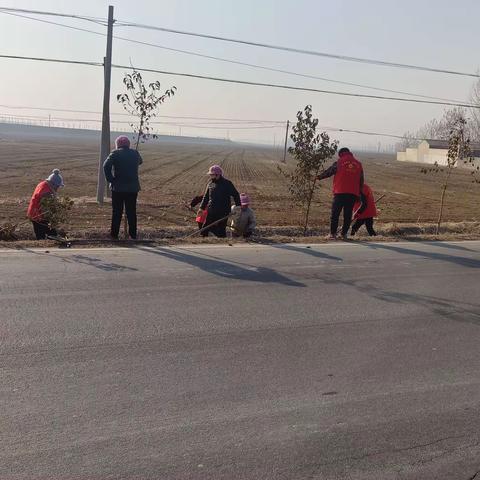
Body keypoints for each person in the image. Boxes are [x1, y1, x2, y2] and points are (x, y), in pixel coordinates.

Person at [317, 147, 364, 240]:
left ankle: (332, 234)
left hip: (340, 192)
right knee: (347, 215)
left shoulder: (339, 162)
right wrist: (359, 194)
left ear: (341, 153)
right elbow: (361, 181)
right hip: (352, 194)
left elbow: (329, 172)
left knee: (335, 214)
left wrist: (319, 177)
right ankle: (344, 234)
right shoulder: (359, 164)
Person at [103, 136, 143, 240]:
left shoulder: (115, 153)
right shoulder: (135, 153)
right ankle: (133, 235)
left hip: (118, 188)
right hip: (132, 188)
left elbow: (106, 166)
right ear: (128, 144)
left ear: (118, 144)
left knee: (117, 212)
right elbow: (140, 162)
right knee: (131, 212)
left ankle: (114, 235)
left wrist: (111, 179)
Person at [198, 165, 241, 238]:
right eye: (210, 175)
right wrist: (201, 208)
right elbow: (206, 197)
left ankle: (222, 242)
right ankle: (203, 242)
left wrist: (238, 206)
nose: (210, 176)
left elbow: (236, 194)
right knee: (205, 229)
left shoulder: (227, 184)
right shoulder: (210, 184)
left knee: (221, 229)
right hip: (211, 210)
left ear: (218, 175)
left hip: (223, 212)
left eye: (212, 175)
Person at [27, 169, 64, 240]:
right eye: (57, 186)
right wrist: (52, 217)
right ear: (53, 184)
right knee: (46, 234)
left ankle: (49, 241)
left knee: (50, 233)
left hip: (35, 213)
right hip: (38, 215)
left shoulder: (42, 184)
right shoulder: (47, 192)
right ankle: (44, 244)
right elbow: (45, 208)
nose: (58, 188)